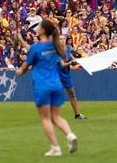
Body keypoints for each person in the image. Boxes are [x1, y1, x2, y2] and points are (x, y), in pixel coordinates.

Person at [16, 19, 78, 156]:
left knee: (45, 118)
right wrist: (21, 39)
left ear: (43, 30)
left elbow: (25, 67)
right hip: (56, 84)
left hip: (42, 85)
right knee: (56, 116)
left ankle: (55, 147)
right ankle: (70, 135)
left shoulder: (36, 48)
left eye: (38, 26)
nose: (36, 28)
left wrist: (19, 71)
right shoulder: (55, 46)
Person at [58, 37, 86, 120]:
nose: (62, 40)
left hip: (66, 75)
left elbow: (71, 58)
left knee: (72, 94)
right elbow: (62, 64)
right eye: (60, 39)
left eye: (63, 39)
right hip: (57, 75)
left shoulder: (68, 48)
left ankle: (77, 115)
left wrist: (78, 61)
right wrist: (71, 63)